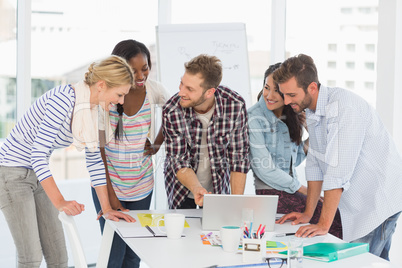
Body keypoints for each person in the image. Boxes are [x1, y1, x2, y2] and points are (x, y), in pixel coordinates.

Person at [0, 55, 136, 267]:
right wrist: (61, 202)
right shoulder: (63, 100)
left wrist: (107, 208)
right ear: (101, 85)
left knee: (58, 255)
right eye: (119, 94)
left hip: (36, 174)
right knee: (31, 257)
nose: (121, 101)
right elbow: (38, 154)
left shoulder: (93, 110)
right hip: (11, 172)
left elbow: (94, 161)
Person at [275, 54, 402, 260]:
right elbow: (315, 164)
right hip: (360, 201)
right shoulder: (314, 111)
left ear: (312, 88)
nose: (286, 101)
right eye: (284, 94)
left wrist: (323, 225)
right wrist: (308, 214)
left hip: (377, 200)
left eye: (291, 94)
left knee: (359, 263)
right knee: (374, 262)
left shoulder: (344, 108)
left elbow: (337, 171)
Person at [91, 39, 170, 268]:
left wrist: (156, 145)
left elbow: (175, 112)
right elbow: (99, 151)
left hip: (142, 186)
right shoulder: (109, 97)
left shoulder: (154, 90)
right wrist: (111, 195)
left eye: (144, 67)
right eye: (133, 69)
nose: (140, 74)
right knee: (113, 255)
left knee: (134, 254)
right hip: (109, 185)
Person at [248, 63, 342, 239]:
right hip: (271, 194)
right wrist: (302, 189)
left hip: (291, 189)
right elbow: (264, 168)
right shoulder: (254, 119)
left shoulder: (291, 113)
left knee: (338, 215)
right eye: (266, 88)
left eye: (277, 91)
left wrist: (310, 129)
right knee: (334, 220)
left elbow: (296, 159)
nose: (269, 95)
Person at [162, 54, 250, 209]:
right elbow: (178, 161)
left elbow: (239, 159)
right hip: (181, 189)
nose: (181, 92)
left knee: (214, 231)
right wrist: (196, 188)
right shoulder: (171, 110)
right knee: (183, 231)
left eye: (189, 89)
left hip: (217, 188)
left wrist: (236, 205)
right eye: (181, 84)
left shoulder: (235, 105)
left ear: (210, 92)